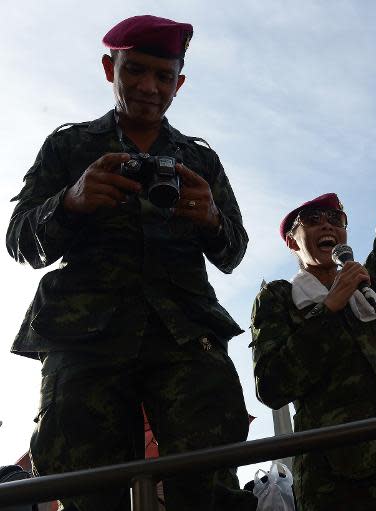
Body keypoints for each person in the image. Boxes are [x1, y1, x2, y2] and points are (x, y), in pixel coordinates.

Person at [7, 15, 255, 511]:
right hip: (86, 340)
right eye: (135, 71)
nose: (148, 87)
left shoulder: (198, 160)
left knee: (207, 482)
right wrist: (70, 201)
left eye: (164, 77)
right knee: (85, 484)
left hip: (186, 335)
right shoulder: (69, 147)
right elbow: (20, 243)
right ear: (109, 68)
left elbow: (234, 253)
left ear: (179, 83)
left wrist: (211, 218)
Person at [251, 124, 376, 510]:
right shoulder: (279, 297)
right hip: (340, 477)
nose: (327, 224)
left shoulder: (365, 284)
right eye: (312, 220)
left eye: (335, 218)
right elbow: (272, 385)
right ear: (293, 242)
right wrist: (330, 309)